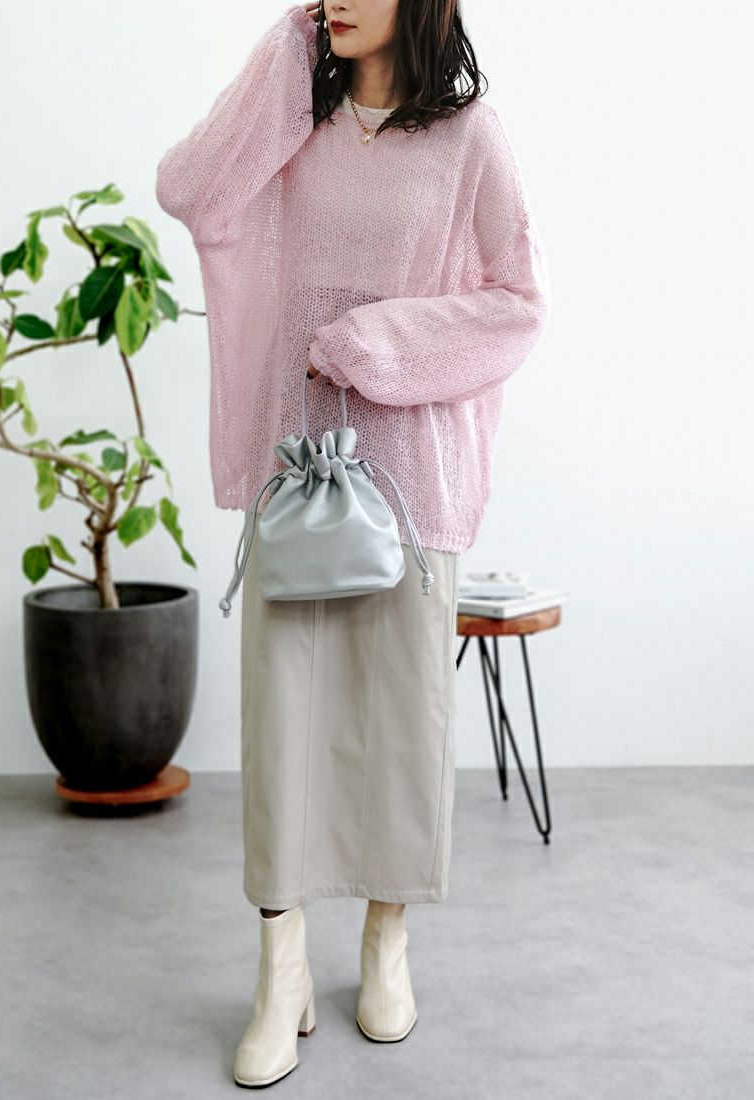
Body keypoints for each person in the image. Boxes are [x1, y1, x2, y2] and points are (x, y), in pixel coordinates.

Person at [155, 0, 549, 1087]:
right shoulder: (290, 122)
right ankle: (279, 965)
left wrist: (375, 341)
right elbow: (189, 191)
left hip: (410, 490)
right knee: (283, 721)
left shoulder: (469, 137)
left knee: (398, 723)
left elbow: (519, 303)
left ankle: (385, 940)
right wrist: (282, 52)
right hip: (295, 475)